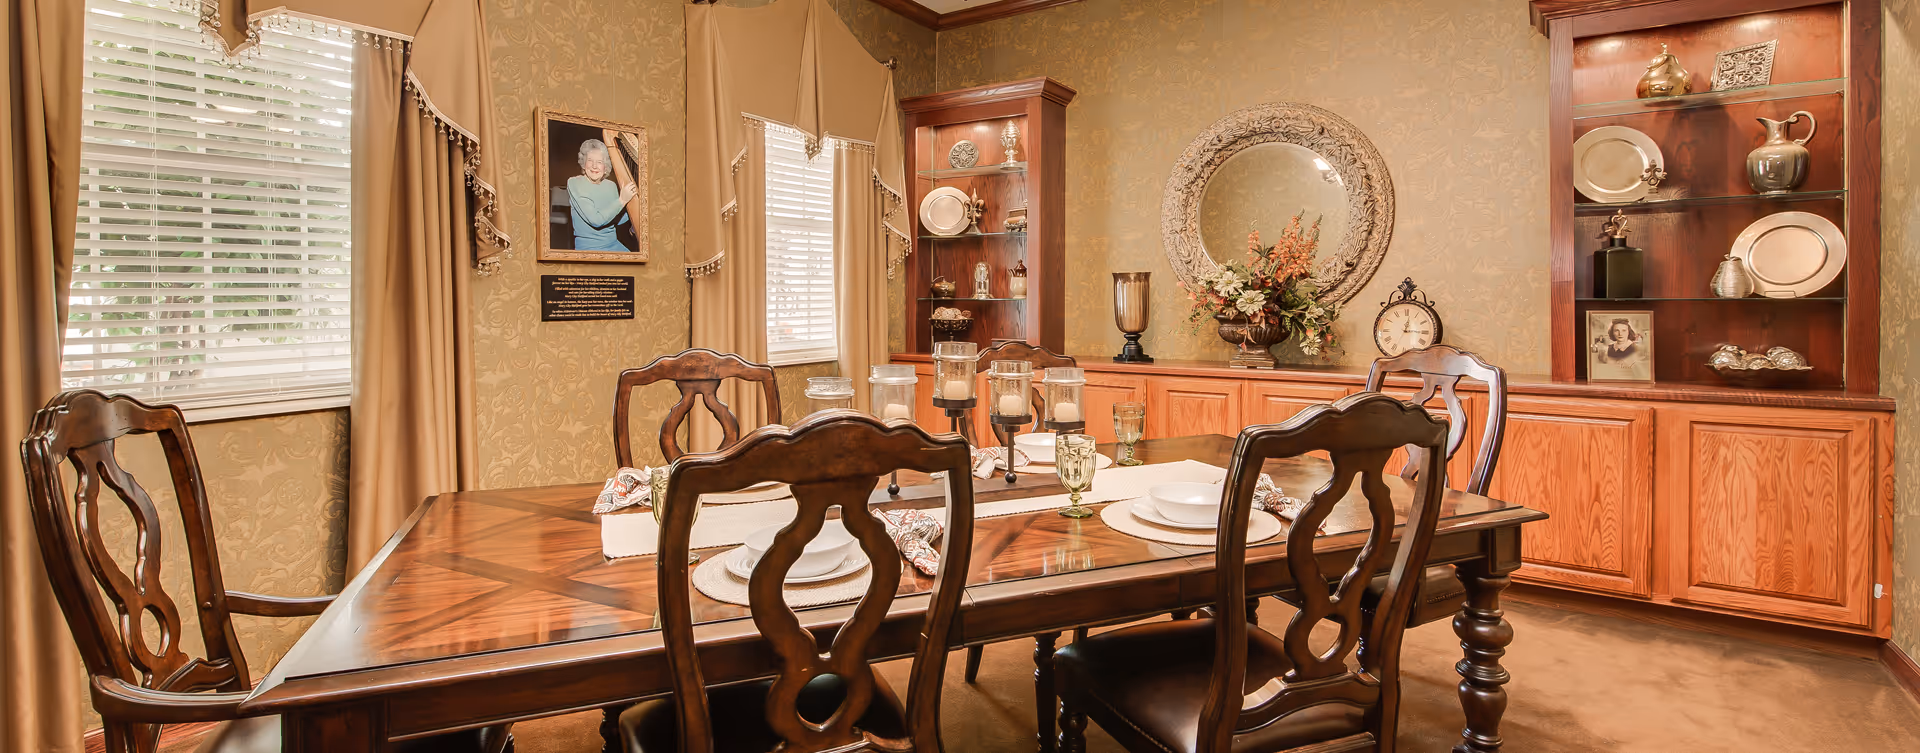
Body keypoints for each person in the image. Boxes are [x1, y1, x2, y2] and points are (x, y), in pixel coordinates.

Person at [566, 138, 637, 251]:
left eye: (599, 162)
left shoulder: (611, 185)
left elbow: (615, 219)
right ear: (584, 163)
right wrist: (622, 200)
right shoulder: (575, 183)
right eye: (590, 160)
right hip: (589, 248)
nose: (594, 166)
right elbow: (597, 220)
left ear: (605, 167)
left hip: (613, 244)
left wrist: (634, 210)